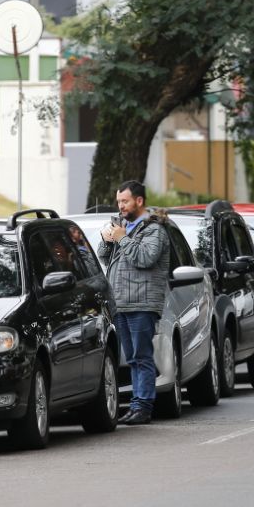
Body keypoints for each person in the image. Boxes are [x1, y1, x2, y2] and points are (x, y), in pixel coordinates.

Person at [99, 180, 169, 425]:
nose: (121, 206)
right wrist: (107, 240)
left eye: (125, 201)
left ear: (139, 201)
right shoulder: (123, 227)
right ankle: (135, 405)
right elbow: (104, 258)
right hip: (121, 303)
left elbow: (145, 258)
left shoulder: (154, 230)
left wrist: (122, 238)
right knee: (131, 358)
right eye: (119, 201)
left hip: (142, 303)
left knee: (142, 355)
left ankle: (143, 406)